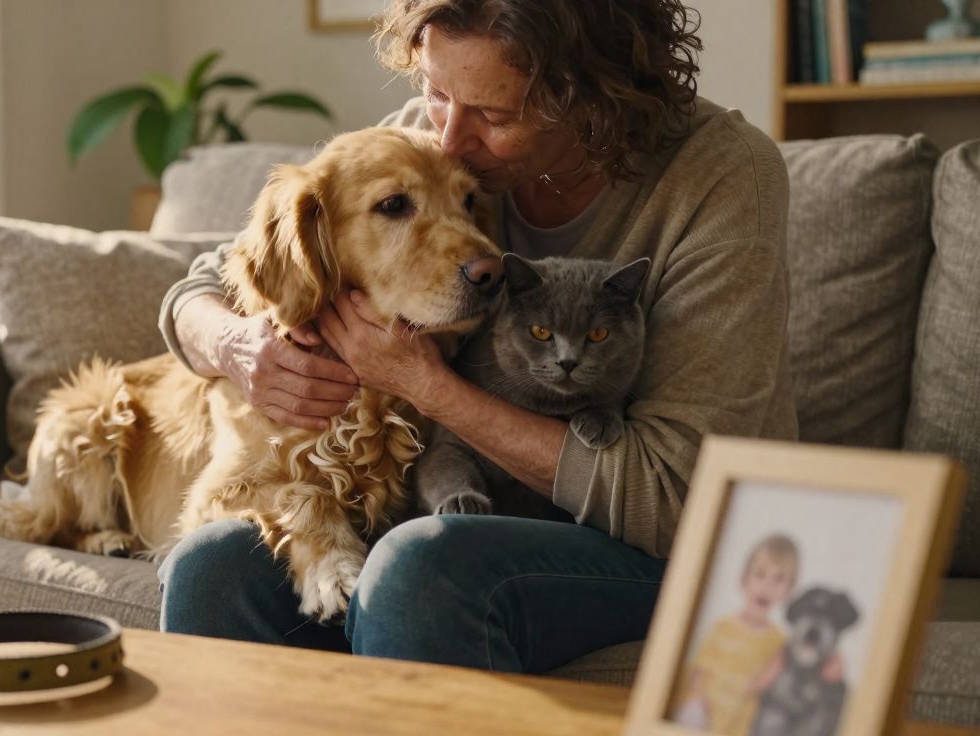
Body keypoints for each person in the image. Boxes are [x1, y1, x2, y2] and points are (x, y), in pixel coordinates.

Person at [155, 0, 798, 673]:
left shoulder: (722, 177)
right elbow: (207, 282)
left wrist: (424, 385)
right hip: (475, 512)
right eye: (435, 91)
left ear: (590, 98)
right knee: (213, 567)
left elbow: (675, 501)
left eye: (496, 116)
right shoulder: (437, 139)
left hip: (679, 548)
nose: (452, 139)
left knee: (420, 568)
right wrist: (235, 346)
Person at [672, 535, 800, 734]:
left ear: (789, 589)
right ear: (745, 578)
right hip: (704, 708)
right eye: (760, 574)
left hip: (739, 718)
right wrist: (698, 699)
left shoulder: (779, 641)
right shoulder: (722, 627)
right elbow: (698, 671)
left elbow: (770, 681)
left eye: (779, 579)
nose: (767, 586)